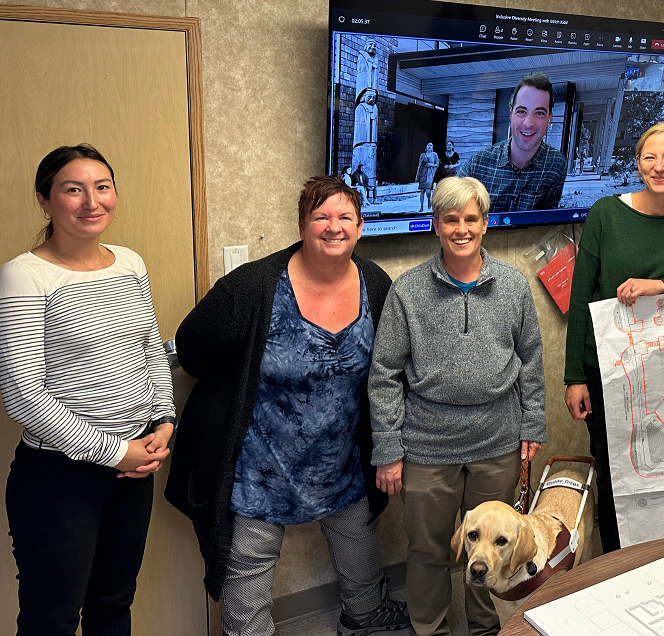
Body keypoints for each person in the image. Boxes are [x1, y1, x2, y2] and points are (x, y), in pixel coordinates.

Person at [163, 176, 408, 636]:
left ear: (360, 228)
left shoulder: (375, 283)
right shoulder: (254, 286)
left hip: (341, 461)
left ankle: (364, 615)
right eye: (321, 216)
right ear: (301, 226)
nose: (333, 227)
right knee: (247, 578)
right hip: (259, 467)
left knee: (361, 550)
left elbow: (390, 367)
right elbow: (194, 349)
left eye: (345, 217)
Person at [0, 144, 175, 635]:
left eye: (102, 187)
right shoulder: (25, 276)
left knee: (113, 608)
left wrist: (164, 421)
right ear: (44, 199)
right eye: (72, 189)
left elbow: (149, 347)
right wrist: (113, 452)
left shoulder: (129, 263)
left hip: (134, 466)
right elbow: (22, 395)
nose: (90, 202)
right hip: (60, 479)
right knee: (51, 620)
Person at [368, 176, 546, 636]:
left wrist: (533, 425)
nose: (461, 229)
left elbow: (530, 358)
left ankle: (488, 627)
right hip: (427, 445)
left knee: (493, 549)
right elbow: (385, 373)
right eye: (451, 219)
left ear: (485, 224)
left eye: (471, 219)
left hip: (497, 441)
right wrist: (388, 448)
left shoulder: (512, 285)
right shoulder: (407, 291)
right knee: (429, 550)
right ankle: (431, 628)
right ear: (436, 224)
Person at [563, 122, 664, 553]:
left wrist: (662, 288)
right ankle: (616, 562)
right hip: (609, 375)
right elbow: (581, 299)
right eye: (650, 157)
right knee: (616, 475)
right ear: (637, 163)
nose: (659, 166)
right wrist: (574, 376)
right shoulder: (604, 215)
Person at [457, 73, 568, 213]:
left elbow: (546, 223)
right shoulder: (476, 165)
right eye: (521, 111)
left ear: (550, 118)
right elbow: (449, 217)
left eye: (539, 113)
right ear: (511, 115)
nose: (528, 124)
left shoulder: (556, 165)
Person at [415, 142, 439, 212]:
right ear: (426, 147)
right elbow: (419, 165)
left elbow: (437, 164)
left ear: (432, 147)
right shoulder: (423, 155)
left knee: (428, 191)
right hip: (423, 174)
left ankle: (429, 199)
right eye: (428, 145)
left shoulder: (434, 155)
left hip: (430, 175)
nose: (429, 146)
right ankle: (421, 206)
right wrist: (417, 175)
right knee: (422, 191)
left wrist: (431, 164)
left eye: (431, 145)